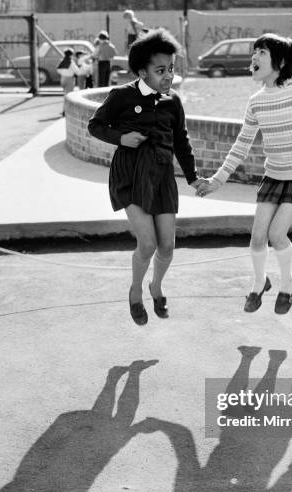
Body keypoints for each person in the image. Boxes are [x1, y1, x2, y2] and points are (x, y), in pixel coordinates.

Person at [197, 33, 292, 315]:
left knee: (277, 234)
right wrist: (217, 179)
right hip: (274, 177)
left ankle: (287, 283)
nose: (254, 57)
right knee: (256, 237)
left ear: (281, 62)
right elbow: (242, 143)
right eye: (254, 52)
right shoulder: (256, 102)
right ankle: (259, 282)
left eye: (261, 53)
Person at [88, 28, 205, 326]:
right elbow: (95, 125)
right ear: (142, 71)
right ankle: (136, 290)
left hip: (162, 176)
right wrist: (121, 138)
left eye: (172, 69)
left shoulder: (173, 101)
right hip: (129, 175)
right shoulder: (122, 96)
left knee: (167, 246)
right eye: (161, 70)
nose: (168, 76)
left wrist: (192, 177)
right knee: (148, 243)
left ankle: (157, 286)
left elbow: (181, 140)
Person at [56, 48, 81, 116]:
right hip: (69, 79)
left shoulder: (62, 61)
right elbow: (78, 72)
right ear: (70, 55)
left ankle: (65, 110)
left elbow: (58, 70)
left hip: (63, 78)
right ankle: (66, 111)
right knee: (68, 95)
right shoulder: (71, 62)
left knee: (65, 94)